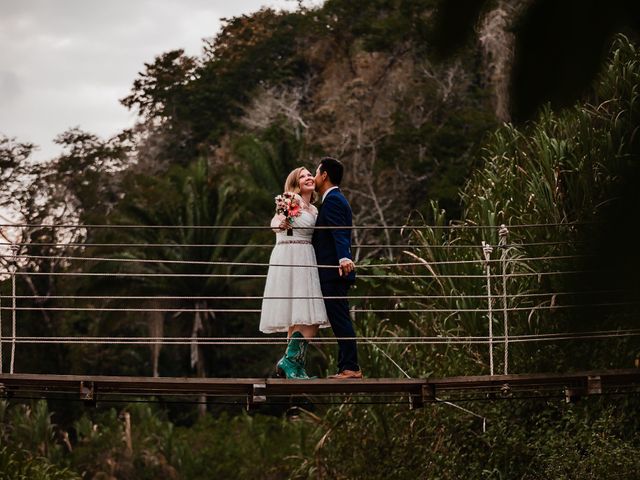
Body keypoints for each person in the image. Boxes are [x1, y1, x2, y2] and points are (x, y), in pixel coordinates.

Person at [259, 167, 330, 379]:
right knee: (309, 316)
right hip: (290, 255)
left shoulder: (315, 210)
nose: (308, 177)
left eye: (310, 174)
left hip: (307, 257)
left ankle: (294, 366)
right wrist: (279, 225)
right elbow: (276, 221)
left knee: (300, 314)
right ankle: (289, 362)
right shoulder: (290, 199)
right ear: (295, 182)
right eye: (303, 176)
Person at [312, 157, 362, 379]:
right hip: (333, 271)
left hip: (334, 271)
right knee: (339, 317)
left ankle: (350, 367)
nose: (313, 177)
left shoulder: (332, 201)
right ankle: (347, 366)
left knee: (340, 317)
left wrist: (343, 258)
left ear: (324, 175)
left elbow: (339, 231)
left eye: (315, 172)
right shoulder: (334, 199)